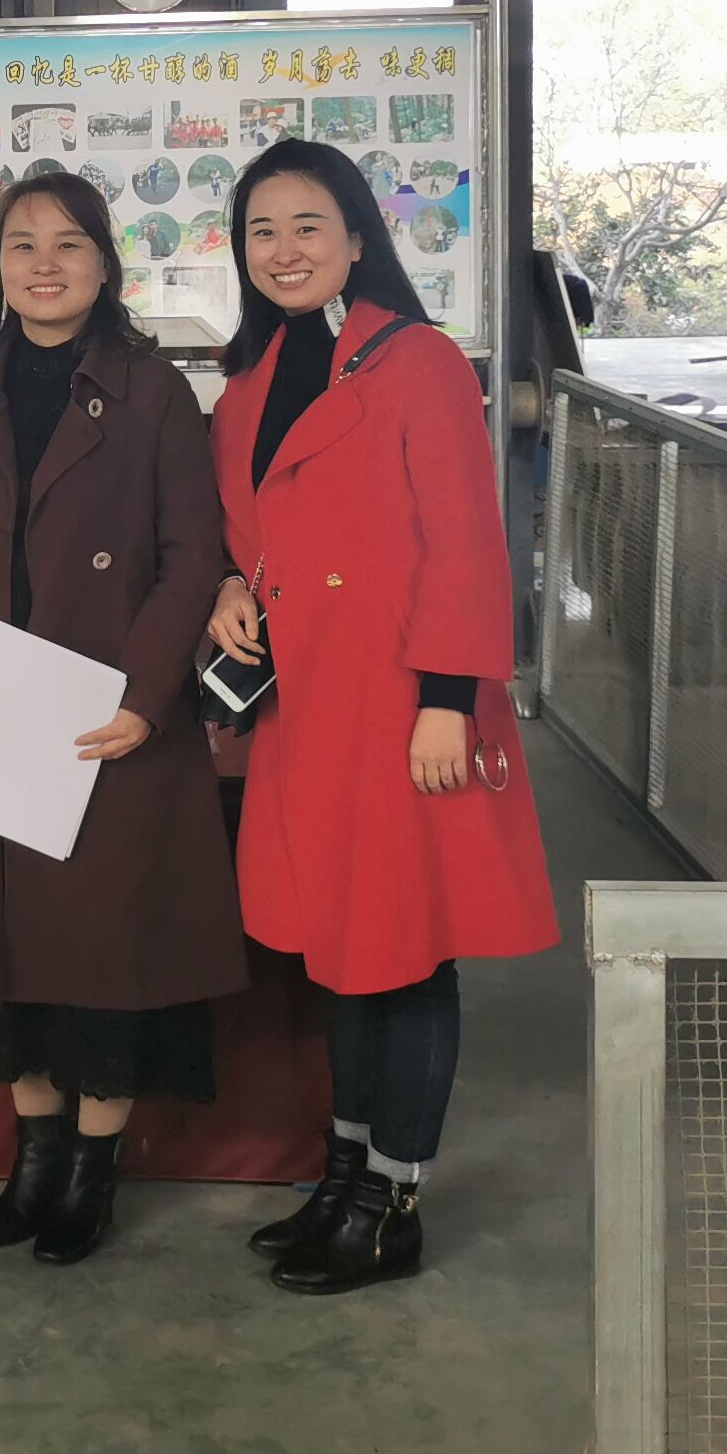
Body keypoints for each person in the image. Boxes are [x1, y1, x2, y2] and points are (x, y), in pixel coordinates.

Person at [205, 138, 557, 1296]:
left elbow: (464, 540)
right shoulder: (249, 384)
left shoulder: (417, 363)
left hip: (403, 706)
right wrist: (226, 586)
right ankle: (345, 1175)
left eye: (308, 225)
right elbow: (248, 534)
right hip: (307, 711)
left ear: (358, 238)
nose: (283, 249)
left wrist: (448, 700)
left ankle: (392, 1202)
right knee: (342, 952)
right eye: (261, 230)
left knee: (405, 954)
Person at [0, 170, 241, 1265]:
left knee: (106, 953)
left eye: (69, 244)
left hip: (108, 717)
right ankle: (33, 1156)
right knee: (11, 953)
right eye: (21, 245)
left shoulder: (153, 391)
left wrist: (143, 695)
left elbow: (191, 556)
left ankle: (92, 1169)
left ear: (105, 265)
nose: (44, 265)